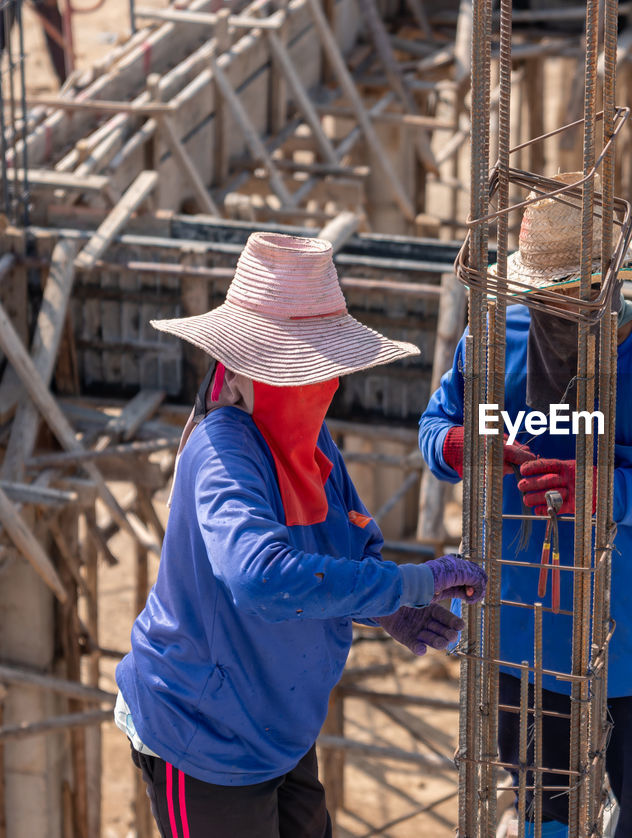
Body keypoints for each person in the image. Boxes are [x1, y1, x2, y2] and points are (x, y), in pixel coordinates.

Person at [115, 232, 487, 838]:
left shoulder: (312, 447)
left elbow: (354, 549)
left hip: (278, 727)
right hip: (203, 734)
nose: (317, 387)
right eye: (298, 372)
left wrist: (388, 609)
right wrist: (410, 584)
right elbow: (262, 578)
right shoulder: (223, 450)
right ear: (238, 373)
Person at [420, 174, 632, 837]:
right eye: (542, 299)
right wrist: (460, 443)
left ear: (610, 283)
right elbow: (435, 428)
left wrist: (606, 490)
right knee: (543, 813)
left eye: (574, 296)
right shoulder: (490, 343)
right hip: (521, 638)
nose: (556, 315)